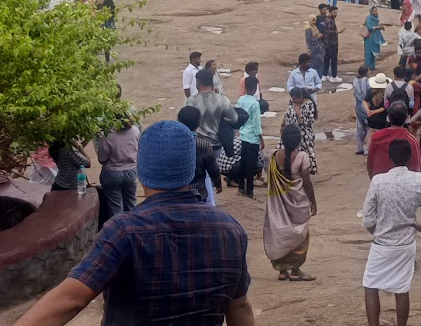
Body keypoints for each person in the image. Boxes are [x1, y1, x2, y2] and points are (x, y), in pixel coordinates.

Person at [13, 122, 255, 326]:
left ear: (142, 169)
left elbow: (71, 299)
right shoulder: (230, 230)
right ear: (190, 169)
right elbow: (240, 306)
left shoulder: (123, 232)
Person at [360, 139, 421, 326]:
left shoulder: (378, 181)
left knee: (370, 286)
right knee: (401, 288)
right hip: (406, 244)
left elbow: (367, 216)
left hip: (382, 244)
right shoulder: (420, 180)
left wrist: (376, 231)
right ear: (410, 158)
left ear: (389, 158)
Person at [264, 122, 317, 282]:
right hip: (298, 203)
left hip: (278, 205)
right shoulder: (302, 157)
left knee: (281, 232)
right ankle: (295, 270)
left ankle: (282, 271)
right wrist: (313, 202)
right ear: (298, 140)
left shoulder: (272, 156)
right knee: (299, 234)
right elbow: (307, 183)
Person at [94, 119, 140, 217]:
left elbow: (102, 159)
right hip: (131, 172)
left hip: (112, 174)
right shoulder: (135, 131)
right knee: (131, 204)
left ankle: (118, 230)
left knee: (115, 207)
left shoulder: (108, 135)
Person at [185, 68, 237, 154]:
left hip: (197, 145)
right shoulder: (222, 100)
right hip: (216, 144)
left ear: (198, 82)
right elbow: (234, 119)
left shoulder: (191, 101)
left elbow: (183, 122)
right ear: (211, 82)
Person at [178, 106, 221, 206]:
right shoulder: (203, 144)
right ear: (198, 124)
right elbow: (213, 169)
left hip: (176, 193)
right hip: (198, 194)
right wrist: (218, 184)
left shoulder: (173, 142)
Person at [366, 102, 421, 178]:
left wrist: (373, 180)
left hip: (381, 181)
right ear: (406, 118)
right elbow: (416, 167)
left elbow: (370, 163)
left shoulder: (376, 137)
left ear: (388, 117)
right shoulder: (411, 140)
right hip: (404, 183)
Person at [235, 74, 264, 199]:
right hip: (252, 137)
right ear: (255, 88)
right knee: (251, 165)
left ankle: (241, 186)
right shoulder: (255, 104)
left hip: (243, 135)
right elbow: (257, 123)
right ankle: (250, 191)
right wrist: (261, 138)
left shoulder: (241, 100)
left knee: (243, 162)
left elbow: (238, 116)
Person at [289, 87, 319, 175]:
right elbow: (288, 114)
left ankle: (307, 171)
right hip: (293, 133)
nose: (293, 101)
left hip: (306, 134)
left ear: (301, 97)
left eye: (295, 99)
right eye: (292, 98)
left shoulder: (309, 104)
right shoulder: (292, 102)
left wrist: (298, 112)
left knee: (306, 153)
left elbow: (306, 121)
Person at [353, 67, 374, 156]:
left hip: (358, 105)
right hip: (367, 105)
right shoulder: (368, 81)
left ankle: (360, 148)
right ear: (366, 72)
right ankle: (369, 148)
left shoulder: (355, 81)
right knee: (370, 127)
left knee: (359, 126)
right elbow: (370, 93)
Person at [362, 7, 386, 71]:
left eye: (376, 11)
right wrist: (378, 27)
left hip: (375, 37)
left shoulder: (376, 18)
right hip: (370, 38)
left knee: (374, 53)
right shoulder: (369, 18)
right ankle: (367, 67)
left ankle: (372, 66)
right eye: (374, 11)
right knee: (369, 52)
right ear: (371, 12)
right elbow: (369, 27)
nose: (376, 12)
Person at [323, 6, 342, 80]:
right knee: (333, 60)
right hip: (332, 43)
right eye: (334, 12)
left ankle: (325, 75)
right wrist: (338, 32)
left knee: (326, 58)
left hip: (327, 43)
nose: (336, 14)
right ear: (330, 12)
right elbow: (330, 32)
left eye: (336, 12)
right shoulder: (330, 20)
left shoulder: (327, 18)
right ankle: (334, 76)